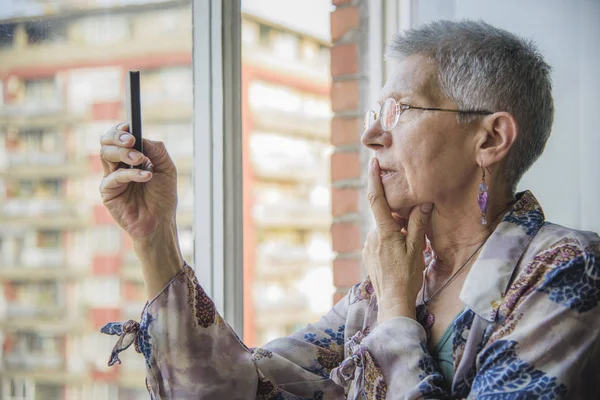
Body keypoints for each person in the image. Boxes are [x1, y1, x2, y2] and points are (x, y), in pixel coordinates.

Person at [98, 20, 600, 399]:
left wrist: (398, 316)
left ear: (490, 138)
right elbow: (240, 388)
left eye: (398, 111)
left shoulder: (568, 269)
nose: (370, 136)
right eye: (372, 114)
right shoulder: (392, 280)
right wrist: (154, 235)